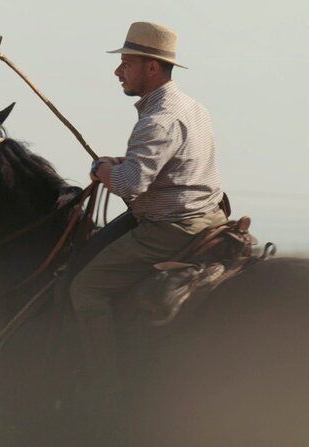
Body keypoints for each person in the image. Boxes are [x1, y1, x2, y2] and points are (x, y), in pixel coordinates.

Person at [69, 21, 227, 394]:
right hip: (211, 217)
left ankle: (107, 389)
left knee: (85, 288)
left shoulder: (158, 118)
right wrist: (122, 162)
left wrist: (101, 169)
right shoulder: (193, 108)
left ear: (151, 67)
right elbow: (170, 163)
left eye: (126, 62)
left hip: (171, 228)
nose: (118, 71)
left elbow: (130, 185)